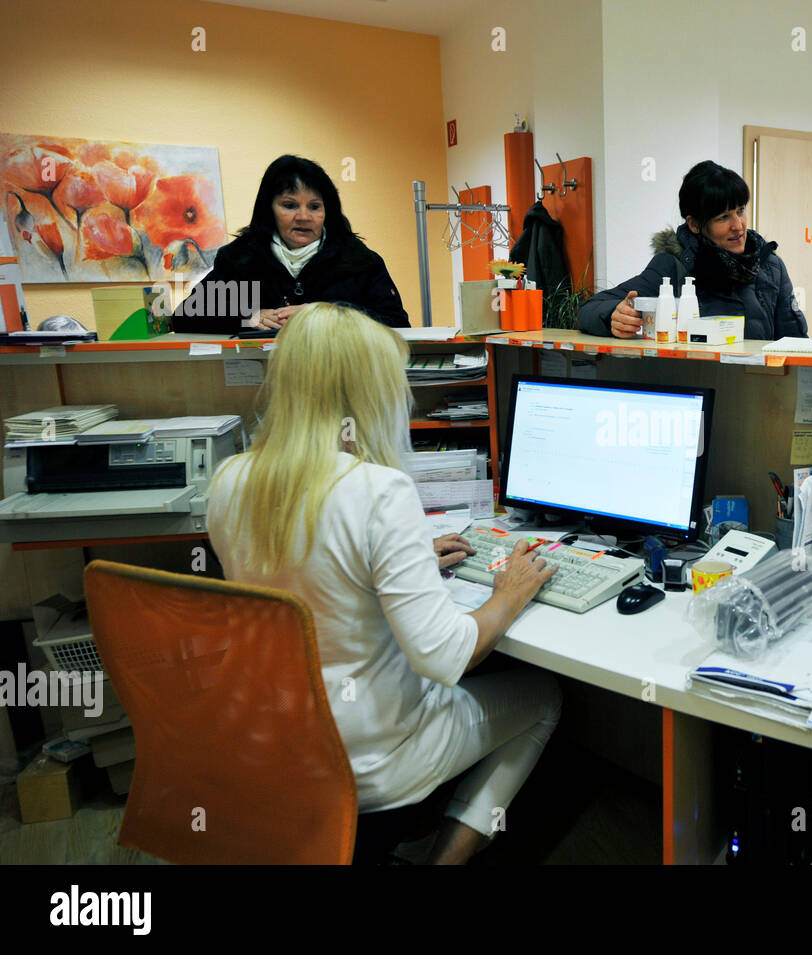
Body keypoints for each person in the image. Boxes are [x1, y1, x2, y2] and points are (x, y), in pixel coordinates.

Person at [206, 302, 558, 864]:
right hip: (371, 760)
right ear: (367, 393)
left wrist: (408, 558)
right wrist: (510, 592)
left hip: (273, 743)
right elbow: (446, 657)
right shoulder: (377, 490)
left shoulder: (230, 480)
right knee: (545, 696)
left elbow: (313, 578)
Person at [172, 155, 408, 333]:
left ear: (327, 211)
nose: (304, 217)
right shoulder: (239, 259)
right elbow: (185, 316)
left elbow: (397, 324)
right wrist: (249, 316)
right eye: (290, 205)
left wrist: (326, 315)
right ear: (269, 210)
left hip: (342, 377)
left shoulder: (359, 260)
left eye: (314, 207)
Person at [578, 160, 808, 341]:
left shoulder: (770, 266)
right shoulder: (673, 266)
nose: (738, 225)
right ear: (695, 224)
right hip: (698, 392)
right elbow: (589, 309)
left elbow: (796, 341)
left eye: (740, 210)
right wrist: (613, 316)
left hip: (758, 391)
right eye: (723, 217)